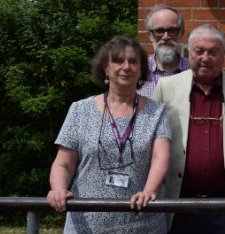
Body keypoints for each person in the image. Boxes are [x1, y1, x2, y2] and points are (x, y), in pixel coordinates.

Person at [47, 36, 171, 234]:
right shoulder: (80, 110)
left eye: (133, 61)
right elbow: (63, 164)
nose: (126, 67)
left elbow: (161, 157)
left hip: (142, 222)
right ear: (105, 67)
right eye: (118, 61)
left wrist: (150, 190)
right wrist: (59, 188)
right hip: (86, 224)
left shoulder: (157, 111)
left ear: (141, 69)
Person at [152, 24, 225, 234]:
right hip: (178, 205)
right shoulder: (166, 89)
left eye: (213, 52)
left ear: (223, 55)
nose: (206, 57)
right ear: (188, 53)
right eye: (199, 51)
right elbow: (153, 145)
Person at [138, 5, 190, 98]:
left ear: (181, 33)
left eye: (172, 30)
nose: (165, 37)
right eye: (159, 30)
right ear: (150, 35)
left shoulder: (194, 72)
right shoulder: (137, 71)